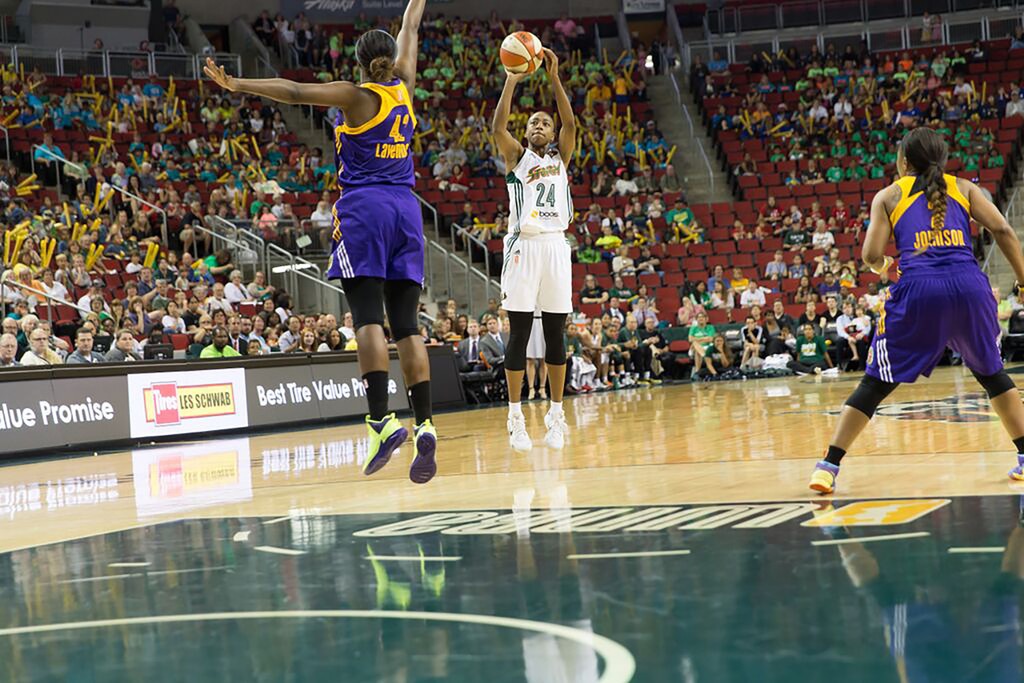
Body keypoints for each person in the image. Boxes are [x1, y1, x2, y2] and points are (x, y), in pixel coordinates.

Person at [204, 0, 437, 485]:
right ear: (392, 57)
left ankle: (379, 420)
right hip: (407, 209)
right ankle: (427, 423)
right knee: (407, 325)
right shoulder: (404, 88)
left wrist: (238, 83)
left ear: (358, 60)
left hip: (366, 207)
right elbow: (412, 23)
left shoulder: (357, 95)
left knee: (369, 316)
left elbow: (292, 90)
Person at [808, 127, 1024, 494]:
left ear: (903, 160)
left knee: (875, 382)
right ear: (942, 157)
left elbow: (871, 256)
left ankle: (828, 466)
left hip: (919, 290)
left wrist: (882, 266)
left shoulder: (888, 196)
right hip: (970, 287)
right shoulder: (965, 187)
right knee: (992, 375)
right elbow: (1003, 229)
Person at [492, 46, 575, 451]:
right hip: (523, 246)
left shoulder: (562, 160)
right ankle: (515, 416)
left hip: (557, 246)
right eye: (534, 123)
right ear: (525, 134)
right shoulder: (517, 159)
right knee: (520, 333)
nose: (541, 126)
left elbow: (571, 123)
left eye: (545, 122)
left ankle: (556, 414)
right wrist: (512, 78)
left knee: (556, 333)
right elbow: (497, 128)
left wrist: (554, 78)